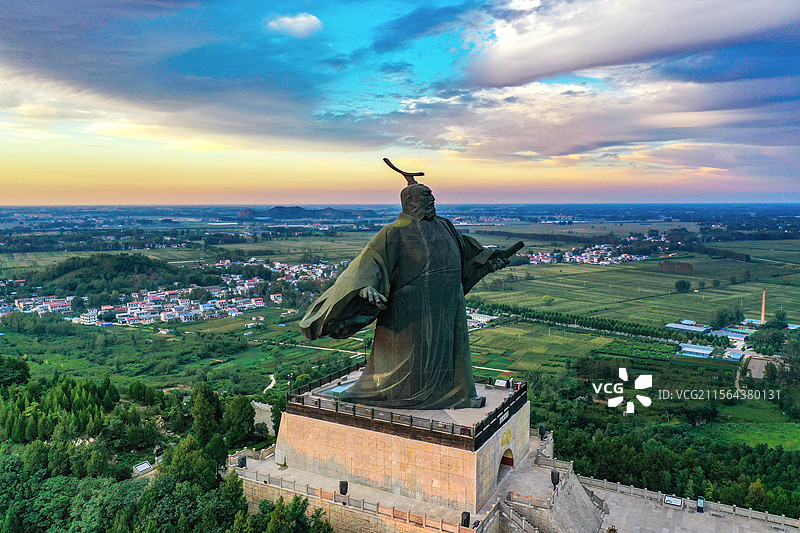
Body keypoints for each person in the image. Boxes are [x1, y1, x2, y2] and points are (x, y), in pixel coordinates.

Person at [300, 171, 509, 409]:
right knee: (406, 361)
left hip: (448, 302)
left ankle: (459, 395)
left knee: (451, 350)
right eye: (426, 197)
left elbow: (468, 255)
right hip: (410, 311)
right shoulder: (394, 231)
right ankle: (387, 394)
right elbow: (367, 264)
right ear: (410, 202)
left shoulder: (445, 226)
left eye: (432, 197)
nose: (432, 201)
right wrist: (364, 287)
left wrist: (489, 260)